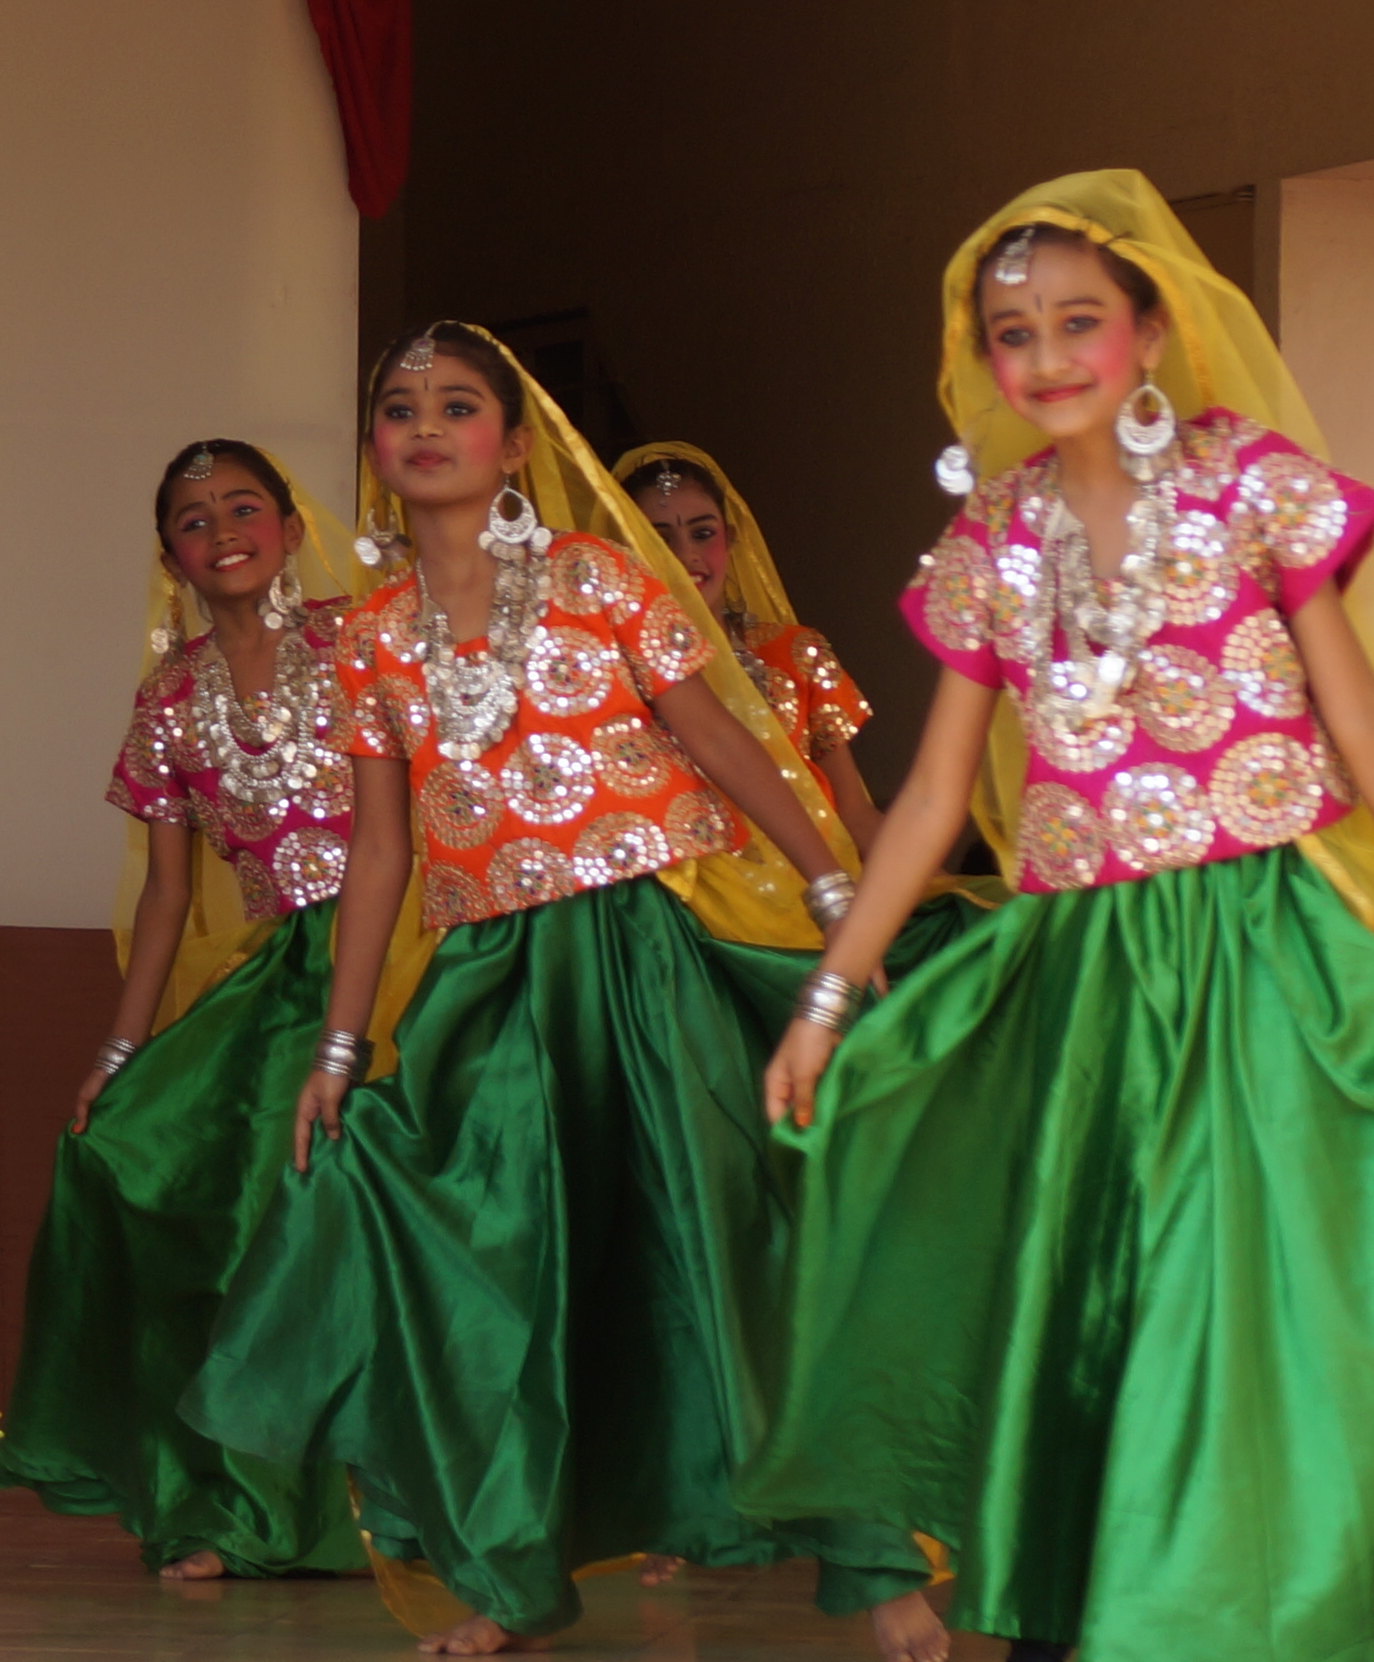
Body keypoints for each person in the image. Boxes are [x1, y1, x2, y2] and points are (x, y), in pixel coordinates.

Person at [749, 177, 1374, 1662]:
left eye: (1077, 321)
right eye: (1012, 331)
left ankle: (1278, 1603)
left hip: (1268, 953)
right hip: (1082, 979)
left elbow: (1359, 717)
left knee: (1258, 1286)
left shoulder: (1249, 486)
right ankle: (1112, 1603)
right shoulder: (993, 540)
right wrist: (830, 995)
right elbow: (932, 793)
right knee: (1100, 1290)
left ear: (1152, 332)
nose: (1046, 356)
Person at [190, 327, 940, 1662]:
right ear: (373, 448)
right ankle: (512, 1579)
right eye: (399, 407)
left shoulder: (597, 575)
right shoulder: (368, 637)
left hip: (648, 961)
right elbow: (379, 851)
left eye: (457, 404)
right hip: (494, 985)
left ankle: (882, 1568)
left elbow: (721, 739)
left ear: (516, 442)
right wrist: (340, 1045)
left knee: (738, 1250)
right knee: (500, 1280)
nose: (426, 426)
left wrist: (836, 892)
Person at [0, 438, 373, 1581]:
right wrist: (118, 1049)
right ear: (170, 557)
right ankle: (234, 1505)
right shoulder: (168, 695)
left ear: (291, 527)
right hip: (279, 971)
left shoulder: (362, 641)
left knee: (361, 1214)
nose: (221, 531)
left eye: (242, 506)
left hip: (402, 950)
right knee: (137, 1162)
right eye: (193, 519)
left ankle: (414, 1510)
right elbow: (165, 893)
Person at [617, 446, 882, 857]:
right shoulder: (614, 675)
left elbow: (856, 814)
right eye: (659, 539)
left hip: (824, 880)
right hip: (695, 892)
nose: (686, 555)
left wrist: (942, 884)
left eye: (703, 534)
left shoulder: (794, 654)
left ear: (731, 538)